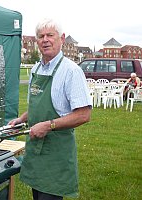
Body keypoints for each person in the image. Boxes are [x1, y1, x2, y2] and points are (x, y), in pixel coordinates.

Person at [8, 18, 92, 200]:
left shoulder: (71, 71)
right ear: (37, 41)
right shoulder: (36, 69)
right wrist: (22, 118)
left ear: (61, 38)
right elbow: (38, 106)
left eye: (50, 35)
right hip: (36, 149)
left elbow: (84, 115)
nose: (45, 40)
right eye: (41, 36)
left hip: (56, 153)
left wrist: (48, 125)